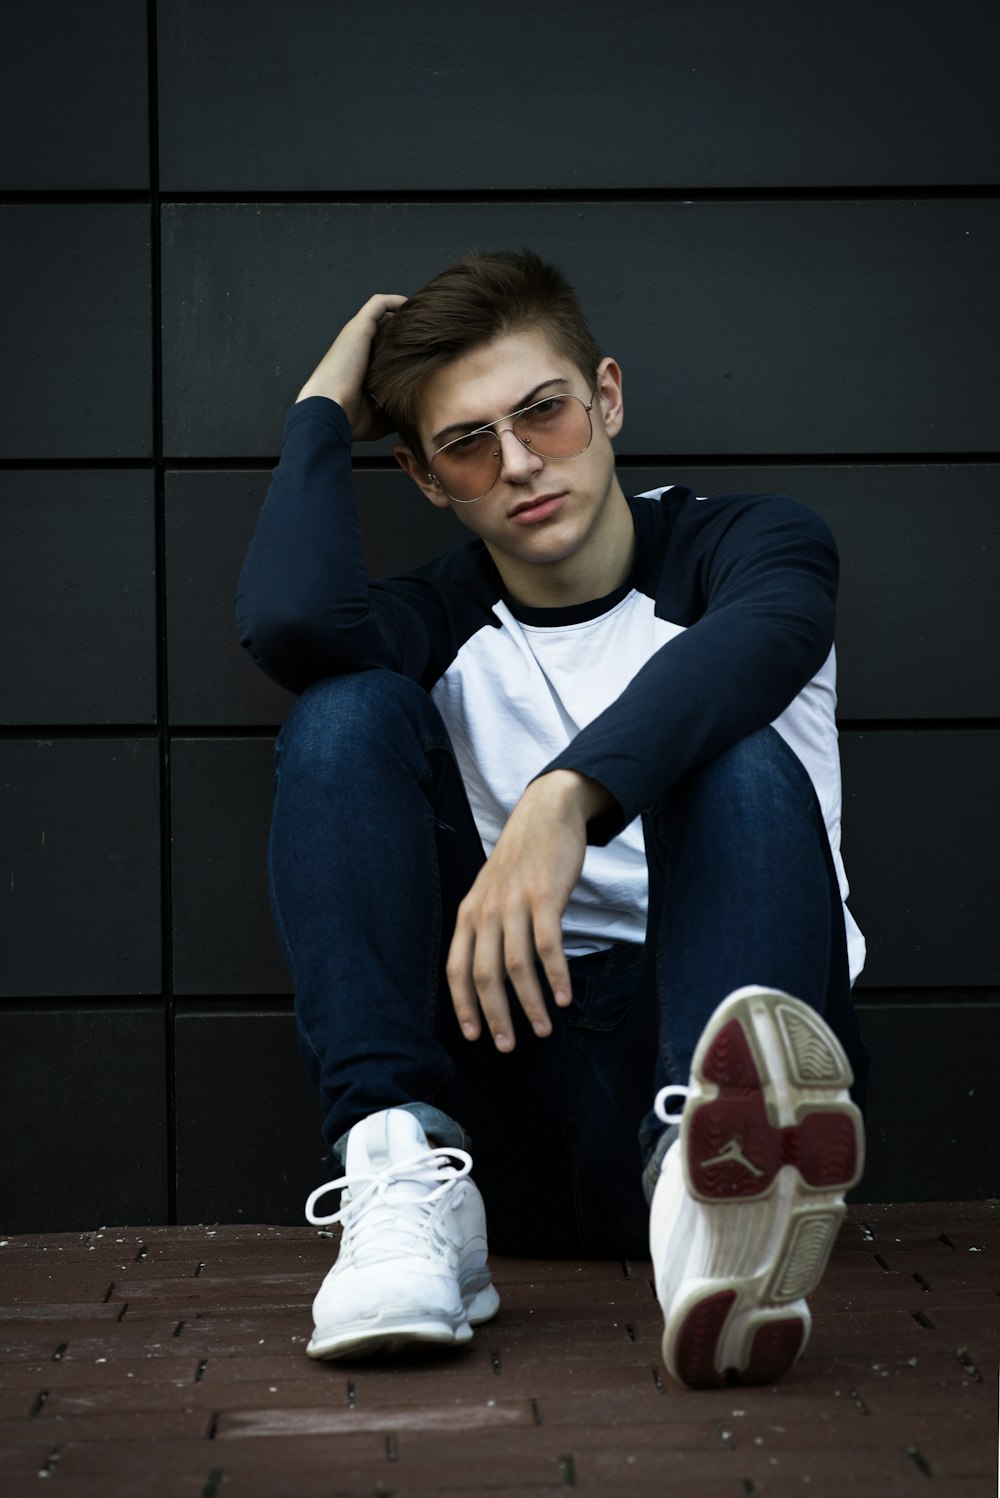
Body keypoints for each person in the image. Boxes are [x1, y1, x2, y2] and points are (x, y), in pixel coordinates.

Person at [236, 249, 869, 1389]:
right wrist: (323, 402)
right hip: (503, 1089)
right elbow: (289, 619)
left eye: (547, 413)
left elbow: (750, 651)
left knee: (734, 752)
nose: (521, 463)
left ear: (607, 398)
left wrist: (559, 800)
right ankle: (399, 1170)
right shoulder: (434, 619)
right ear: (426, 479)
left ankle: (713, 1182)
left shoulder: (756, 547)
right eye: (467, 444)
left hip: (705, 1053)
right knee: (341, 716)